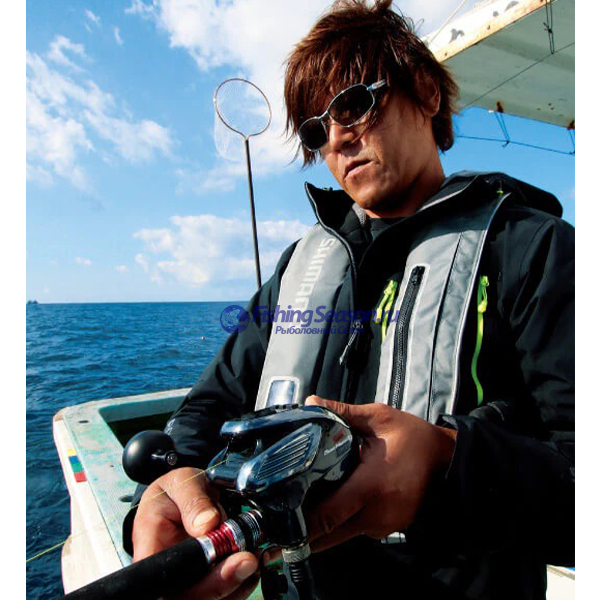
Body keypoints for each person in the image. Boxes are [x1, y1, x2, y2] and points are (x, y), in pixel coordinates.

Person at [125, 1, 574, 598]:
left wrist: (446, 462)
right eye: (316, 130)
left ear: (426, 94)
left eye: (353, 104)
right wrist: (172, 484)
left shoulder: (537, 249)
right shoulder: (299, 267)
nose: (336, 137)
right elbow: (210, 406)